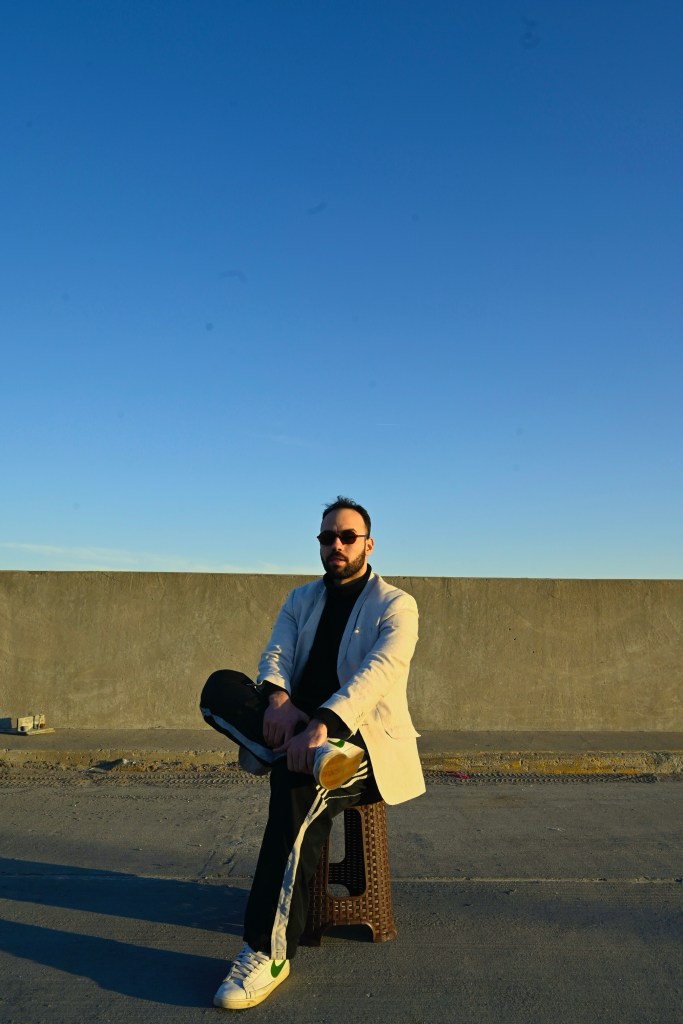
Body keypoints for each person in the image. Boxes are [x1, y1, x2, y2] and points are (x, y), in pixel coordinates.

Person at [200, 496, 424, 1010]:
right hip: (297, 728)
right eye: (328, 537)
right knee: (220, 687)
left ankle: (267, 951)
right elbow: (276, 653)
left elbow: (379, 674)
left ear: (368, 544)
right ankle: (301, 751)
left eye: (348, 536)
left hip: (360, 745)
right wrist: (279, 699)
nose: (337, 545)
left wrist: (322, 724)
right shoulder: (301, 598)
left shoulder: (397, 604)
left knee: (296, 785)